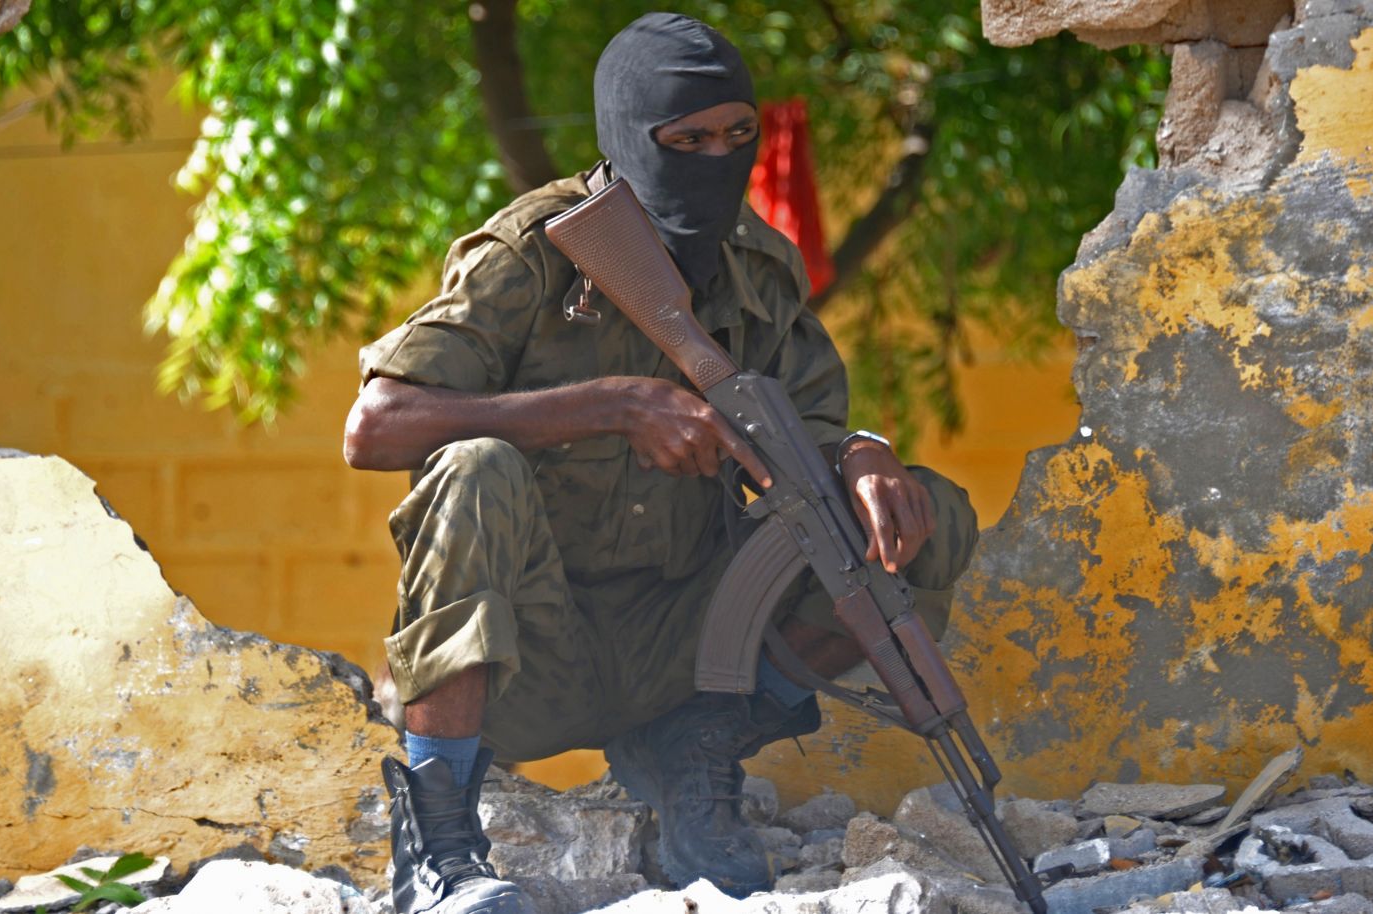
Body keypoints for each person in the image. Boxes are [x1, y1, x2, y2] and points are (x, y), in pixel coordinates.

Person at [342, 13, 979, 914]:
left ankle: (695, 751)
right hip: (529, 653)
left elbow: (810, 430)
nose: (715, 159)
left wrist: (867, 455)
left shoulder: (759, 267)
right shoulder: (536, 252)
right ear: (626, 138)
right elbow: (376, 426)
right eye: (686, 140)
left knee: (920, 516)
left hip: (687, 651)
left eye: (736, 137)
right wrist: (608, 405)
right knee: (473, 467)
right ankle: (440, 842)